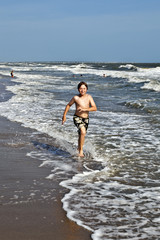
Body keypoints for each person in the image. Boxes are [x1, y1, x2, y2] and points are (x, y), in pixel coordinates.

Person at [62, 81, 97, 157]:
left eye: (84, 88)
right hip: (77, 117)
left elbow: (94, 108)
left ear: (86, 89)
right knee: (83, 132)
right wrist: (64, 116)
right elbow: (68, 105)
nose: (82, 90)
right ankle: (81, 152)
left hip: (86, 119)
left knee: (81, 134)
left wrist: (85, 109)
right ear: (78, 89)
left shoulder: (89, 97)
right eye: (81, 88)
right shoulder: (76, 98)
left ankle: (78, 149)